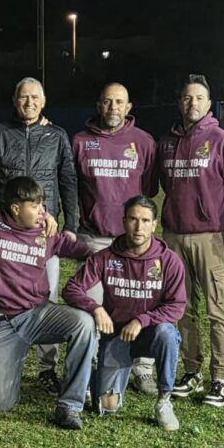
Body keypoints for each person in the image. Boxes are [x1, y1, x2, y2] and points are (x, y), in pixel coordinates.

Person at [0, 176, 95, 430]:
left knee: (84, 323)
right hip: (1, 324)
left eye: (43, 204)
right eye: (35, 205)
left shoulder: (46, 231)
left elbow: (78, 248)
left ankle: (70, 405)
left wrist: (112, 250)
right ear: (15, 208)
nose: (43, 211)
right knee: (0, 403)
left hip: (37, 315)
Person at [0, 77, 80, 395]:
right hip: (5, 234)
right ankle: (0, 359)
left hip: (43, 233)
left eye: (35, 97)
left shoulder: (57, 135)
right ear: (14, 100)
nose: (29, 102)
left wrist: (70, 224)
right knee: (1, 295)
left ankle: (47, 368)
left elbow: (68, 180)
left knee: (47, 297)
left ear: (44, 102)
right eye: (23, 97)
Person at [157, 74, 224, 407]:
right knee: (182, 307)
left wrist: (212, 215)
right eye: (187, 97)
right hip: (173, 236)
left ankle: (221, 377)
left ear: (209, 104)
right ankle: (192, 370)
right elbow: (165, 185)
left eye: (198, 98)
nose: (192, 103)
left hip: (210, 237)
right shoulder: (166, 142)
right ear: (179, 102)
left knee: (216, 308)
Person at [63, 195, 186, 430]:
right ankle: (94, 374)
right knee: (107, 408)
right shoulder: (106, 257)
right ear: (124, 221)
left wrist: (142, 320)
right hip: (117, 336)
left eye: (145, 220)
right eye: (133, 219)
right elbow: (71, 289)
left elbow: (177, 305)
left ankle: (164, 401)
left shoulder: (169, 261)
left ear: (154, 224)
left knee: (167, 333)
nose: (139, 227)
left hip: (150, 334)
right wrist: (96, 308)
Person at [72, 82, 159, 394]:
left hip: (134, 242)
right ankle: (94, 362)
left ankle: (143, 367)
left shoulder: (144, 142)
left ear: (129, 107)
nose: (113, 108)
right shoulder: (81, 141)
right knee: (92, 307)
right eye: (107, 102)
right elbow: (74, 186)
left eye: (119, 102)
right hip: (94, 238)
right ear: (99, 105)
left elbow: (148, 189)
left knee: (141, 302)